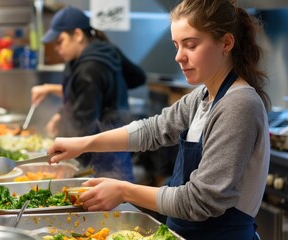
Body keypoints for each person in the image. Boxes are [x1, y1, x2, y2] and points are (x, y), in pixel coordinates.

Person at [47, 0, 270, 239]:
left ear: (226, 43)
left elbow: (201, 200)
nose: (178, 57)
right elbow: (152, 130)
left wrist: (124, 191)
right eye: (176, 45)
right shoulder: (202, 97)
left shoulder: (239, 105)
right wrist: (85, 143)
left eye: (190, 45)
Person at [37, 6, 146, 182]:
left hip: (102, 157)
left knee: (112, 205)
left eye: (60, 41)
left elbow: (83, 122)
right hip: (113, 145)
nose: (56, 48)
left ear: (78, 35)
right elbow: (137, 78)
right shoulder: (103, 51)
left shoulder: (90, 67)